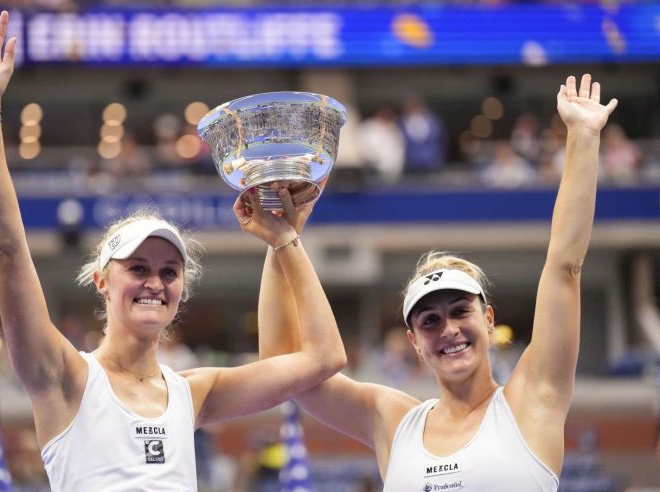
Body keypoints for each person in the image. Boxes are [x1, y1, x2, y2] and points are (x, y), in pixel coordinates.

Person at [0, 7, 346, 491]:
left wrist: (284, 240)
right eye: (139, 267)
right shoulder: (64, 377)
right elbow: (5, 247)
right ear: (102, 282)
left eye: (170, 272)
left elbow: (324, 357)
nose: (155, 282)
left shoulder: (193, 392)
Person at [258, 74, 617, 490]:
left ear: (488, 319)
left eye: (460, 311)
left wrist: (583, 137)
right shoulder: (394, 422)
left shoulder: (531, 399)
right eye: (429, 320)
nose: (448, 329)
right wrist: (280, 240)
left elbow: (564, 266)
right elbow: (281, 366)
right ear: (414, 341)